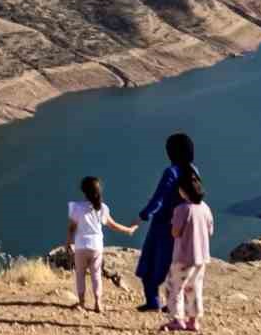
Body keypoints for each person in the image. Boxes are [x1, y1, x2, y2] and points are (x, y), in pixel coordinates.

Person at [136, 133, 200, 312]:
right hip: (185, 228)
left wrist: (143, 215)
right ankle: (174, 304)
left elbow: (159, 198)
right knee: (177, 268)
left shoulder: (171, 172)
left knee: (150, 266)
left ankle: (153, 302)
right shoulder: (194, 170)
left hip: (163, 227)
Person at [65, 176, 137, 313]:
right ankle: (98, 303)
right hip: (97, 246)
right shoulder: (102, 208)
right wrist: (128, 230)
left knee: (80, 274)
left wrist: (68, 242)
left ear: (83, 191)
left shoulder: (76, 207)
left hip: (81, 246)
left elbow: (71, 228)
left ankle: (81, 303)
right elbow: (113, 225)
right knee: (96, 274)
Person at [163, 171, 214, 333]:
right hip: (201, 257)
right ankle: (193, 321)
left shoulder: (182, 209)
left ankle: (177, 319)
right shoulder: (205, 208)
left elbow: (175, 232)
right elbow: (210, 231)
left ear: (184, 191)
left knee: (174, 287)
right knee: (194, 287)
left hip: (183, 257)